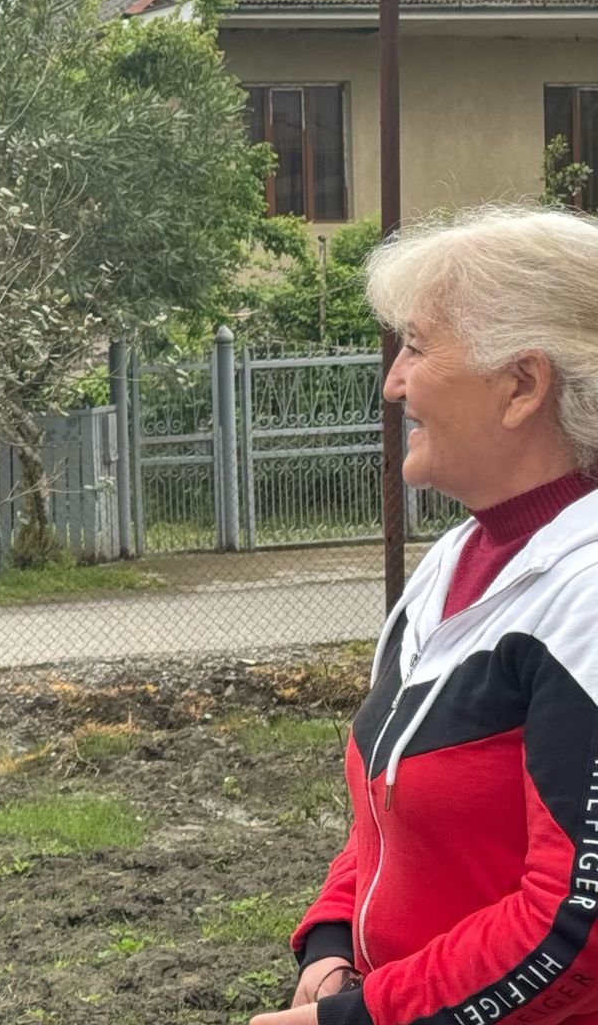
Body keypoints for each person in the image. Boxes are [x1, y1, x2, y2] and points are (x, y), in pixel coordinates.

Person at [253, 205, 598, 1025]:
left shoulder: (585, 595)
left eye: (415, 346)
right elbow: (387, 810)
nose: (393, 383)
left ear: (522, 385)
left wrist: (364, 1017)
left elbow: (577, 928)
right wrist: (331, 939)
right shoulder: (458, 558)